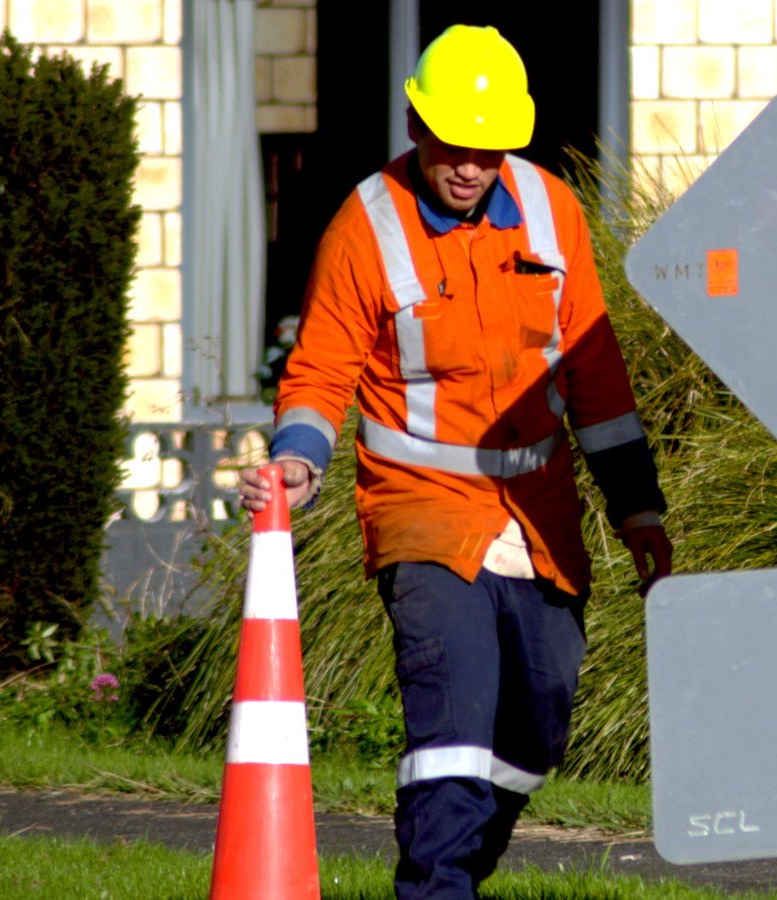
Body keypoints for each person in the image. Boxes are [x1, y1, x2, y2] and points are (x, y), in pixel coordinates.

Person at [237, 24, 672, 899]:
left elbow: (595, 373)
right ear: (414, 125)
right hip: (423, 508)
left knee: (540, 719)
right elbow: (322, 370)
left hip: (539, 514)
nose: (469, 167)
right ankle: (436, 887)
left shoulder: (553, 211)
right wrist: (299, 462)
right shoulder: (365, 227)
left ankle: (458, 866)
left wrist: (638, 509)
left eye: (488, 150)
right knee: (455, 708)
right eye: (452, 147)